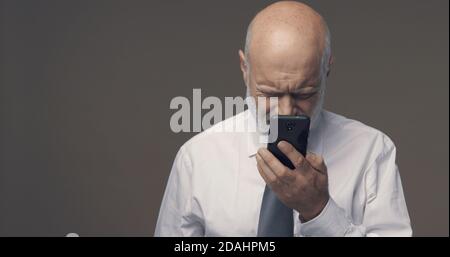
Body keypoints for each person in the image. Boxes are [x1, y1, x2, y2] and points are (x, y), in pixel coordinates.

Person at [155, 1, 412, 236]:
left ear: (327, 68)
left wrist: (320, 211)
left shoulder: (372, 152)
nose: (286, 110)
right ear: (245, 69)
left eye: (304, 93)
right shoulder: (197, 158)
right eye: (270, 93)